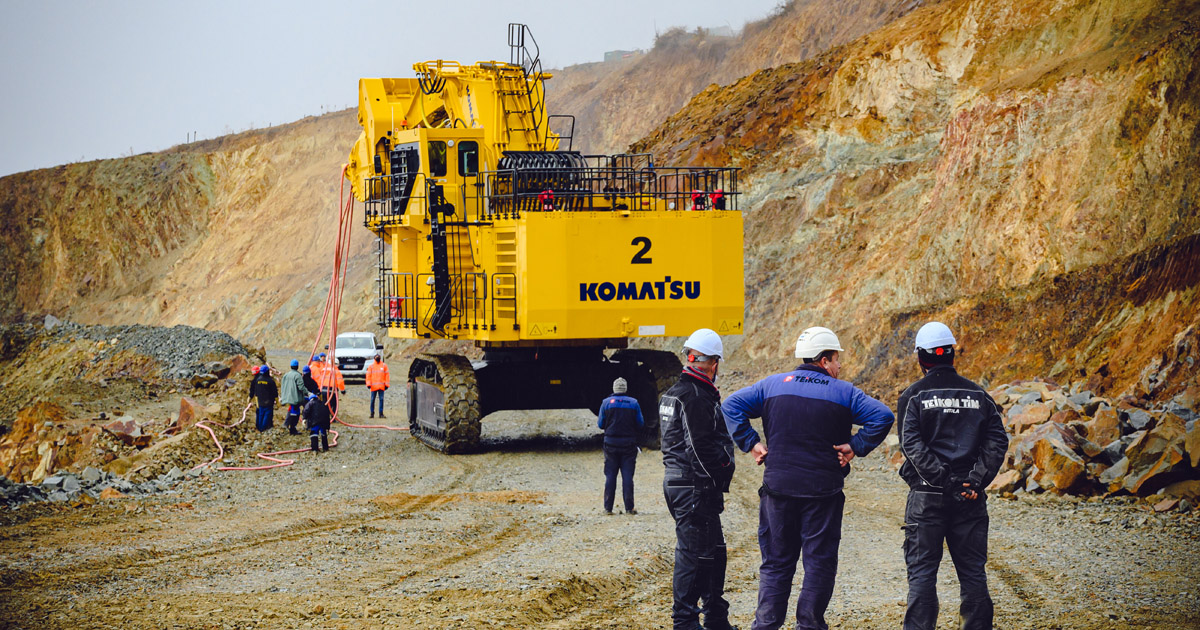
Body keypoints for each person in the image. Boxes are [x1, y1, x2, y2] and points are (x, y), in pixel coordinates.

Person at [722, 326, 894, 630]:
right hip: (823, 493)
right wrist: (855, 446)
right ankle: (810, 625)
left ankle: (765, 626)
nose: (840, 366)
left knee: (776, 564)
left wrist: (752, 443)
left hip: (778, 490)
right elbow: (883, 416)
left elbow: (731, 405)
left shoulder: (771, 385)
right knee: (819, 564)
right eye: (837, 359)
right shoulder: (844, 392)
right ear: (825, 360)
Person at [896, 322, 1008, 630]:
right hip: (970, 498)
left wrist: (944, 481)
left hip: (927, 497)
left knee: (922, 574)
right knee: (973, 573)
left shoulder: (913, 396)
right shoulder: (979, 395)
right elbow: (997, 441)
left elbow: (911, 446)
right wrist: (974, 481)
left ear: (921, 357)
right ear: (952, 354)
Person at [659, 328, 737, 630]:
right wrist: (721, 472)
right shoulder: (694, 397)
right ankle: (685, 622)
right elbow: (700, 449)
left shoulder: (674, 394)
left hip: (682, 483)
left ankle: (716, 617)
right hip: (694, 487)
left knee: (714, 552)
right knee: (694, 556)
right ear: (713, 363)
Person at [597, 377, 644, 515]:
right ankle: (629, 508)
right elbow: (640, 423)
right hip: (629, 445)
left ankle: (608, 508)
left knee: (610, 476)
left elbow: (600, 424)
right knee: (627, 476)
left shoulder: (606, 403)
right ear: (625, 389)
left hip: (610, 444)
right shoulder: (634, 403)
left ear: (614, 389)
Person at [280, 359, 310, 435]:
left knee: (291, 411)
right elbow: (301, 387)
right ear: (297, 366)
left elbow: (283, 386)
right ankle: (292, 428)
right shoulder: (298, 375)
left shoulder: (286, 375)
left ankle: (287, 425)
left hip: (287, 397)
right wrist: (308, 393)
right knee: (295, 413)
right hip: (295, 398)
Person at [248, 365, 279, 432]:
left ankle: (259, 427)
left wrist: (254, 400)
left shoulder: (257, 380)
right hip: (269, 401)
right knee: (267, 415)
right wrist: (277, 402)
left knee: (261, 414)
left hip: (260, 401)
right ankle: (263, 428)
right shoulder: (270, 381)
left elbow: (255, 392)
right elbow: (275, 392)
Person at [366, 354, 390, 419]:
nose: (378, 358)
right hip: (373, 387)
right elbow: (368, 376)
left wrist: (387, 385)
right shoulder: (371, 366)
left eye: (378, 357)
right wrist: (368, 384)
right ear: (374, 358)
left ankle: (381, 413)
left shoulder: (384, 366)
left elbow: (387, 376)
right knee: (372, 400)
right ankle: (372, 413)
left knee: (381, 399)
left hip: (381, 387)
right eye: (377, 357)